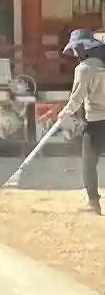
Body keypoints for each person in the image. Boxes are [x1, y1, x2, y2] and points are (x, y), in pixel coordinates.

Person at [61, 28, 105, 214]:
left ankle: (93, 202)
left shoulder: (84, 69)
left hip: (96, 122)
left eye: (75, 49)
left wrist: (65, 112)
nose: (74, 54)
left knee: (89, 162)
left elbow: (77, 98)